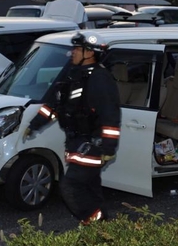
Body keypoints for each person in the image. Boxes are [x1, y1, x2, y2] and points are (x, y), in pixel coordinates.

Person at [24, 32, 121, 225]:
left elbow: (110, 115)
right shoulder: (73, 74)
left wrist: (108, 148)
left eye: (77, 49)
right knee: (90, 187)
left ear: (90, 53)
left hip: (92, 144)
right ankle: (103, 227)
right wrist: (34, 125)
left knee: (71, 186)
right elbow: (53, 105)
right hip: (75, 141)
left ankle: (92, 221)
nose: (72, 53)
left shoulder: (101, 79)